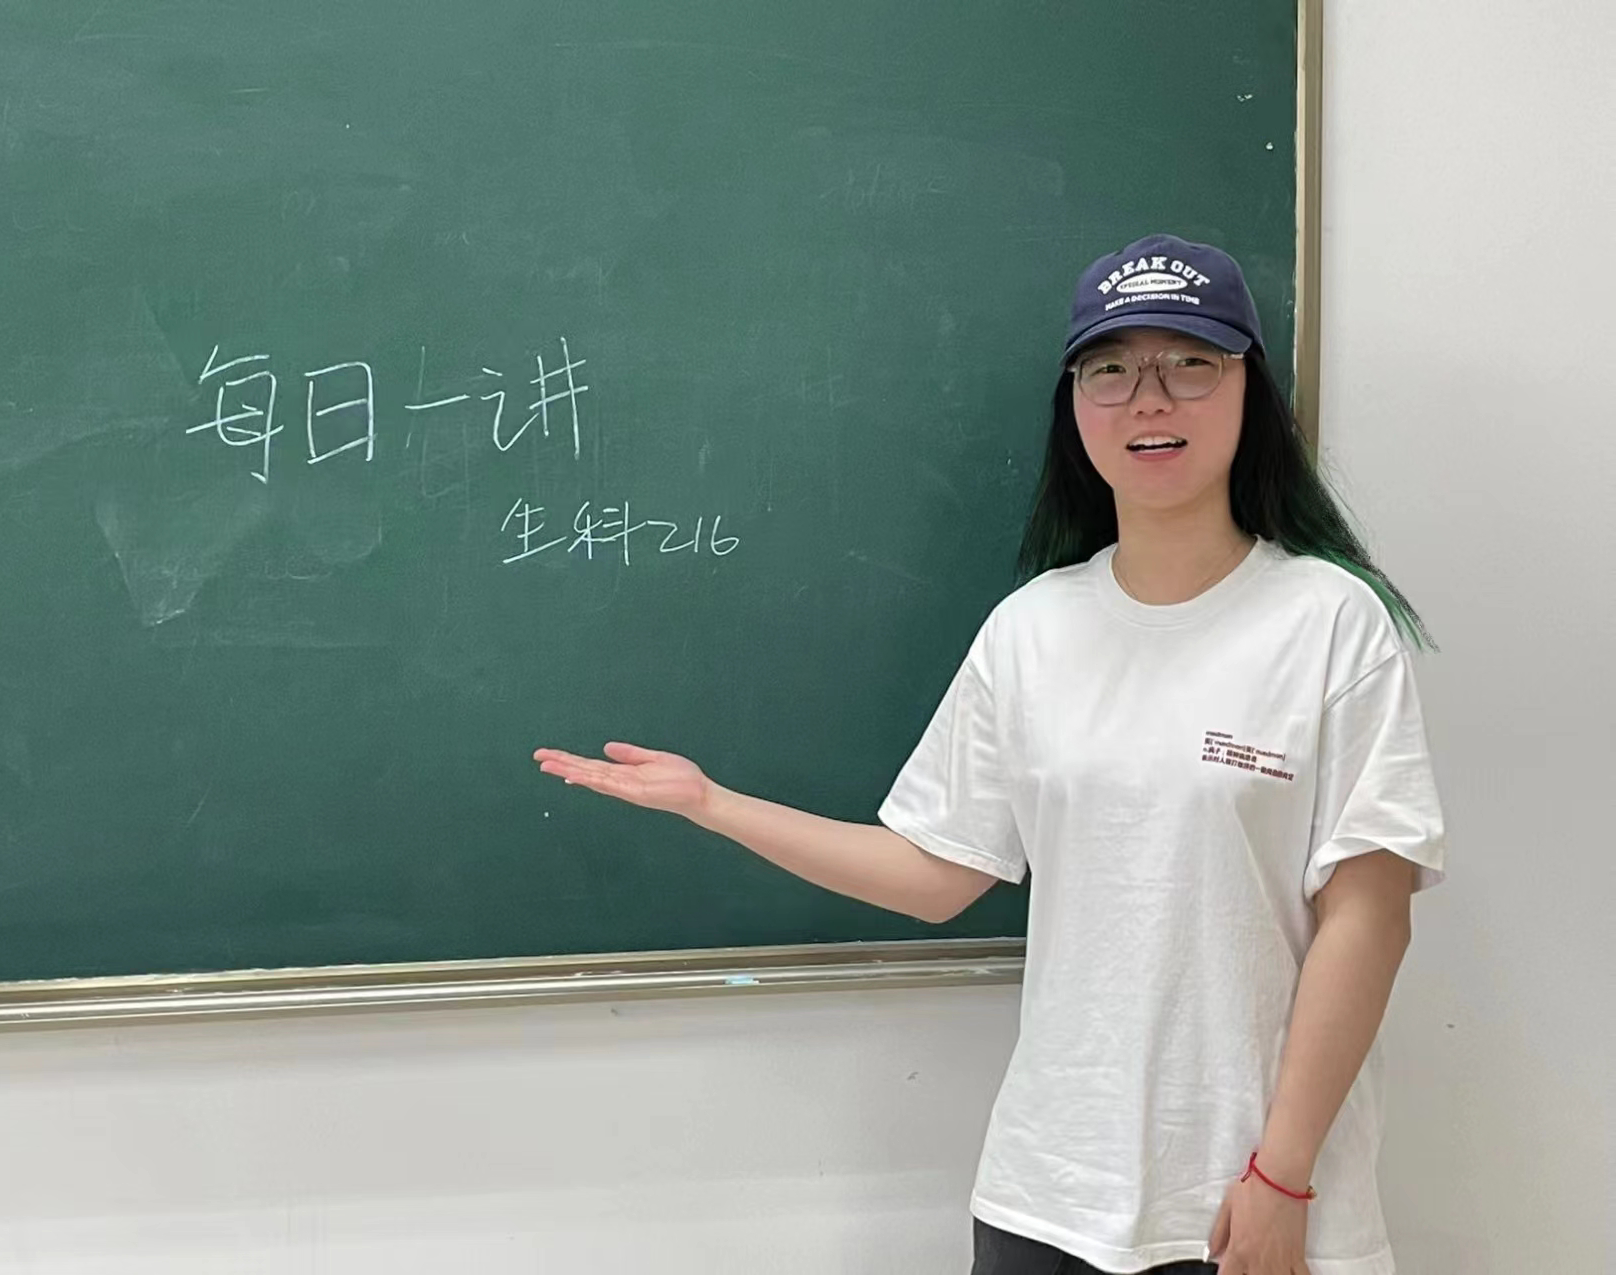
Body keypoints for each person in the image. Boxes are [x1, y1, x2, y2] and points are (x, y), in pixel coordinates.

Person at [534, 233, 1446, 1275]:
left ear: (1250, 390)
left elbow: (1367, 917)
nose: (1149, 399)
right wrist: (712, 802)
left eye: (1192, 363)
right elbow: (936, 874)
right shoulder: (1032, 630)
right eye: (1110, 370)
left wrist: (1282, 1174)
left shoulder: (1329, 621)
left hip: (1254, 1205)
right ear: (1074, 407)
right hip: (1046, 1196)